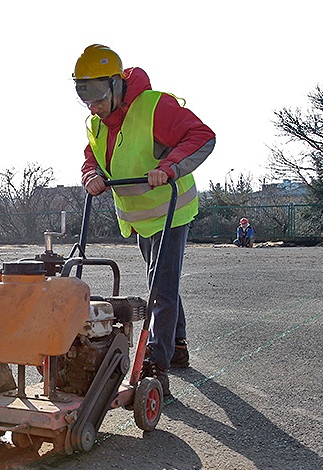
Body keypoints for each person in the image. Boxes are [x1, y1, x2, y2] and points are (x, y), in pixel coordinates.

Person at [75, 44, 215, 397]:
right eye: (83, 95)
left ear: (117, 84)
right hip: (140, 219)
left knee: (160, 288)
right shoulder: (96, 122)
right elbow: (92, 155)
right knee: (161, 279)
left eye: (96, 95)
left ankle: (156, 363)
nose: (92, 105)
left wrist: (168, 168)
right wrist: (91, 174)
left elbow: (202, 136)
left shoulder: (154, 107)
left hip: (171, 210)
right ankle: (178, 344)